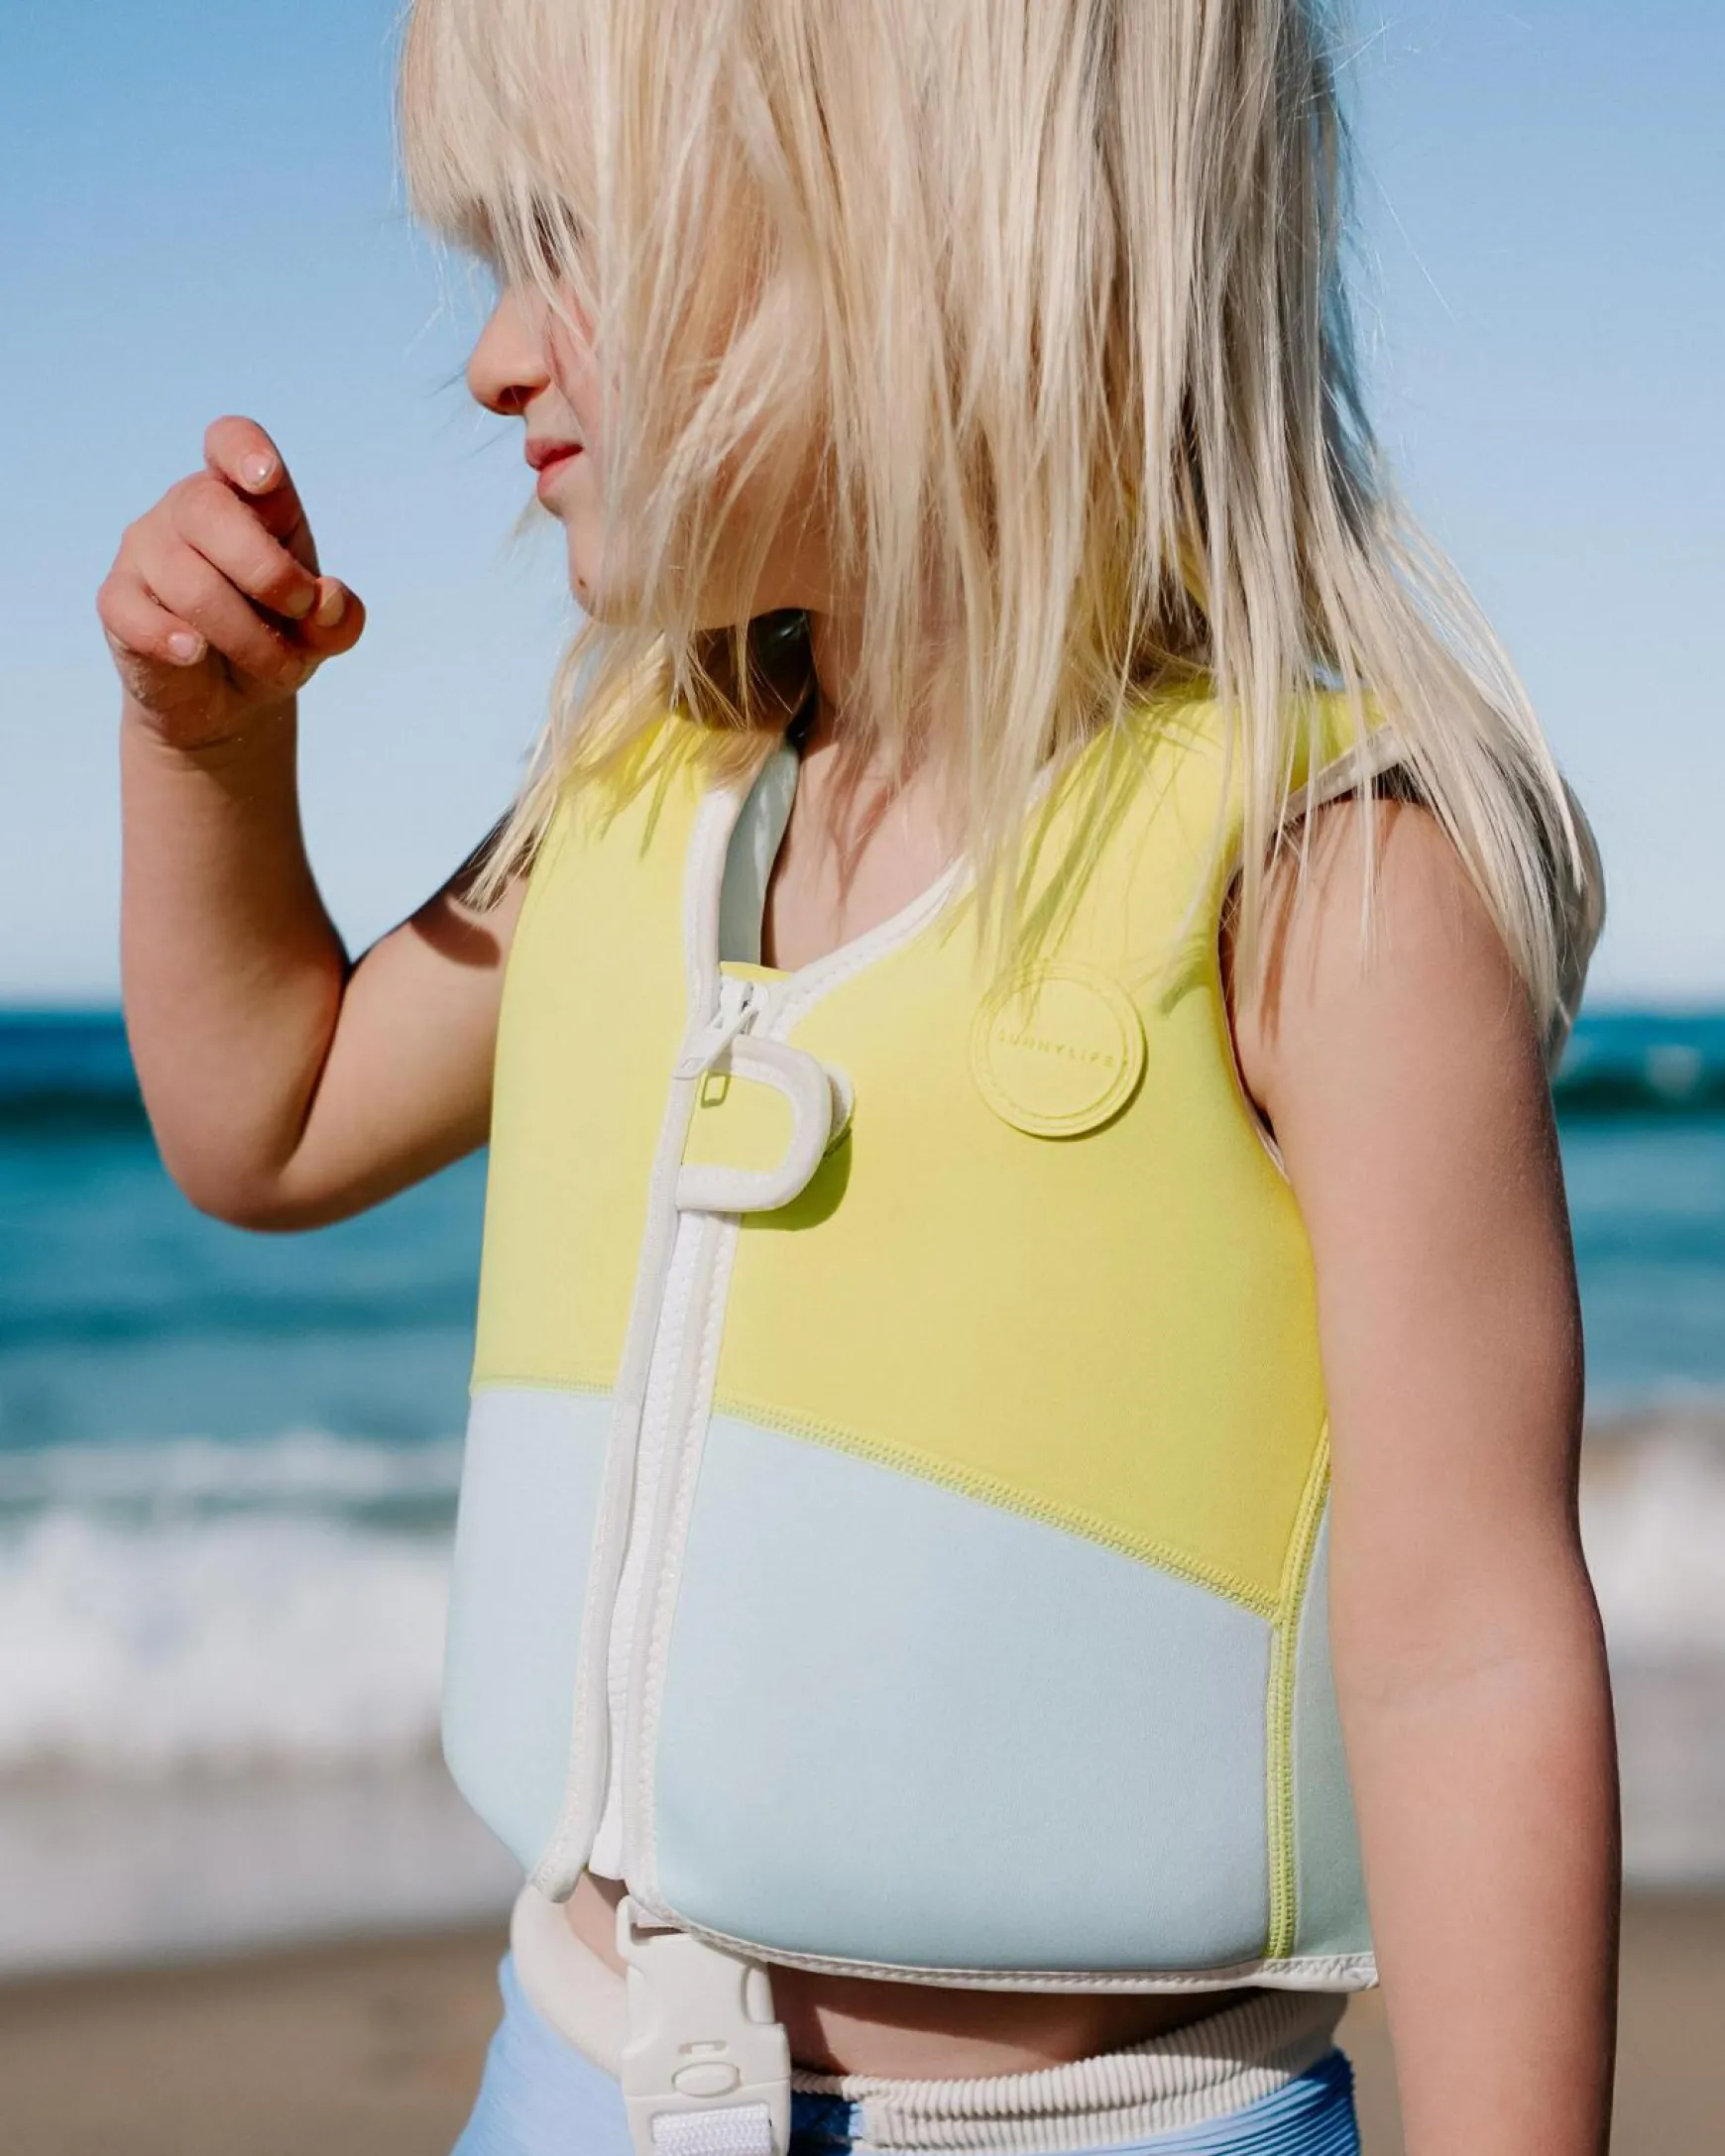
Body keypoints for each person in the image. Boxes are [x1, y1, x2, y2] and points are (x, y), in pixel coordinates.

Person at [98, 3, 1618, 2151]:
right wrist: (205, 753)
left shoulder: (1321, 874)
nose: (496, 358)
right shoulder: (641, 795)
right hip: (576, 2076)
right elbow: (265, 1118)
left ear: (930, 222)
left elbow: (1469, 1660)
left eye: (568, 242)